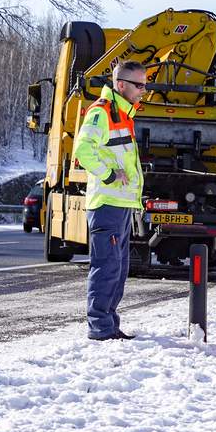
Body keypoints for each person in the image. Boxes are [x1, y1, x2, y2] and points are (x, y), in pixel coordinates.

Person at [75, 60, 147, 341]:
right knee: (106, 268)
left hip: (121, 205)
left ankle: (109, 325)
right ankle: (100, 328)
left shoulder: (123, 114)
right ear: (121, 85)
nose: (144, 90)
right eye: (139, 85)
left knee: (118, 269)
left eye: (144, 84)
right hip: (106, 204)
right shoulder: (101, 113)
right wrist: (107, 175)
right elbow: (82, 149)